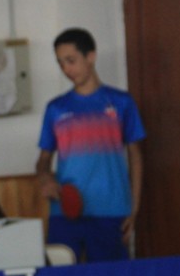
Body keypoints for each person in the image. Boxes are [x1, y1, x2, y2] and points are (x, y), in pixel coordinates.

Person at [35, 27, 145, 262]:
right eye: (60, 63)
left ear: (91, 57)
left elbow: (135, 156)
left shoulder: (122, 102)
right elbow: (43, 159)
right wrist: (44, 177)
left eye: (71, 60)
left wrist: (134, 210)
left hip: (111, 210)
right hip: (64, 211)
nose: (66, 69)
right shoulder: (56, 108)